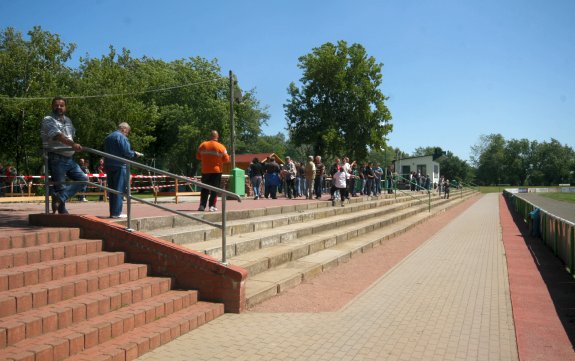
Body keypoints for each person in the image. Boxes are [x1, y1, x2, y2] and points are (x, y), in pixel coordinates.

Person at [41, 96, 88, 214]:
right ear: (52, 106)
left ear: (65, 107)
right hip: (56, 157)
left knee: (83, 179)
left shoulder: (68, 120)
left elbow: (71, 135)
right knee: (60, 186)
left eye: (61, 105)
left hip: (69, 158)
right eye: (56, 105)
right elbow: (57, 136)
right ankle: (62, 212)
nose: (59, 107)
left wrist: (73, 146)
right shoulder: (48, 119)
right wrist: (73, 145)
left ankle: (59, 198)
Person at [103, 122, 143, 218]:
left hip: (109, 165)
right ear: (124, 129)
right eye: (127, 132)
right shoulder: (121, 137)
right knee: (119, 189)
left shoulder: (108, 137)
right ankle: (116, 213)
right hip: (119, 166)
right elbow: (126, 152)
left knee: (112, 190)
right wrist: (135, 154)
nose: (127, 134)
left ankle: (113, 212)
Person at [196, 130, 230, 212]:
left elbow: (198, 156)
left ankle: (202, 206)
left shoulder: (203, 145)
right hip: (216, 171)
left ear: (210, 136)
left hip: (205, 170)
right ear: (217, 137)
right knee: (215, 189)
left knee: (204, 188)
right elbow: (226, 159)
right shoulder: (221, 147)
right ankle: (211, 206)